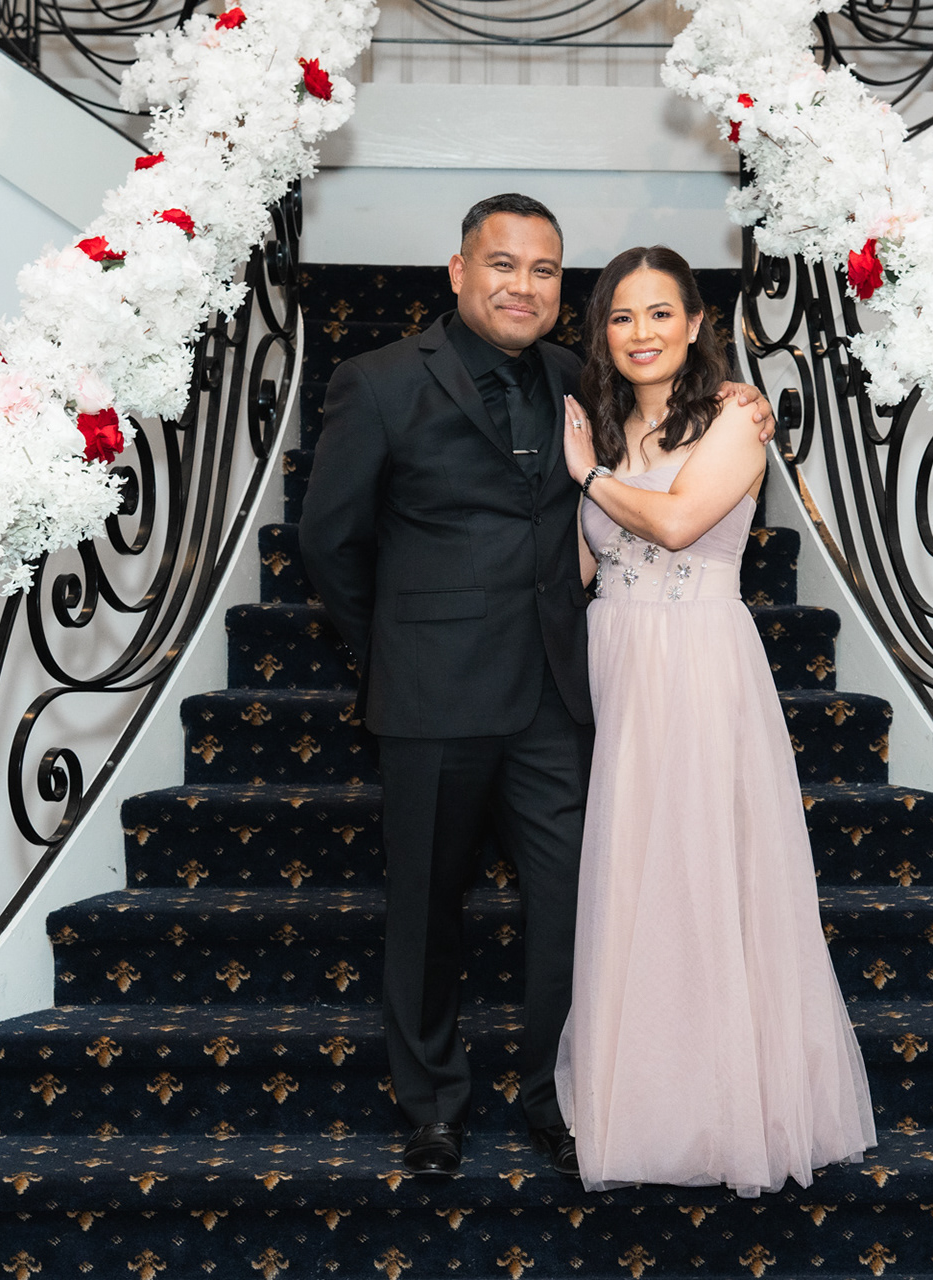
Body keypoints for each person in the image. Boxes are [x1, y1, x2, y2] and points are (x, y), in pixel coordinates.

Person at [299, 197, 771, 1177]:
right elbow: (330, 539)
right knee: (425, 909)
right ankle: (434, 1106)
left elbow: (646, 462)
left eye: (546, 270)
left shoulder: (575, 383)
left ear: (563, 289)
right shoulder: (376, 381)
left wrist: (735, 397)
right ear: (459, 271)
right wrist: (389, 657)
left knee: (575, 907)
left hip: (559, 694)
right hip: (431, 696)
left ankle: (556, 1094)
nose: (524, 285)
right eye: (503, 264)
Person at [553, 245, 877, 1196]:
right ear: (602, 333)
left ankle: (727, 1110)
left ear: (697, 323)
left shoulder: (736, 417)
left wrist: (585, 476)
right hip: (613, 661)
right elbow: (581, 567)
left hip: (696, 663)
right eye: (621, 316)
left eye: (661, 313)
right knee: (629, 882)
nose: (641, 333)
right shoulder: (601, 427)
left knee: (702, 876)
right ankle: (643, 1104)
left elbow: (678, 521)